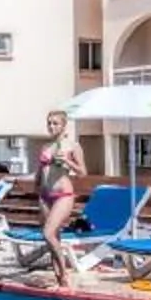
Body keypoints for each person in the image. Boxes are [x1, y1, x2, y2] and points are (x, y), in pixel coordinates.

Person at [30, 109, 87, 290]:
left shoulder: (72, 146)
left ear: (64, 125)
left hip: (63, 194)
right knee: (53, 238)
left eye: (55, 123)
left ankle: (64, 275)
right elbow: (40, 171)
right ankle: (58, 279)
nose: (51, 126)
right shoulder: (45, 147)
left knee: (48, 233)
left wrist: (68, 162)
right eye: (49, 123)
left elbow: (83, 172)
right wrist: (36, 185)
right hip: (45, 195)